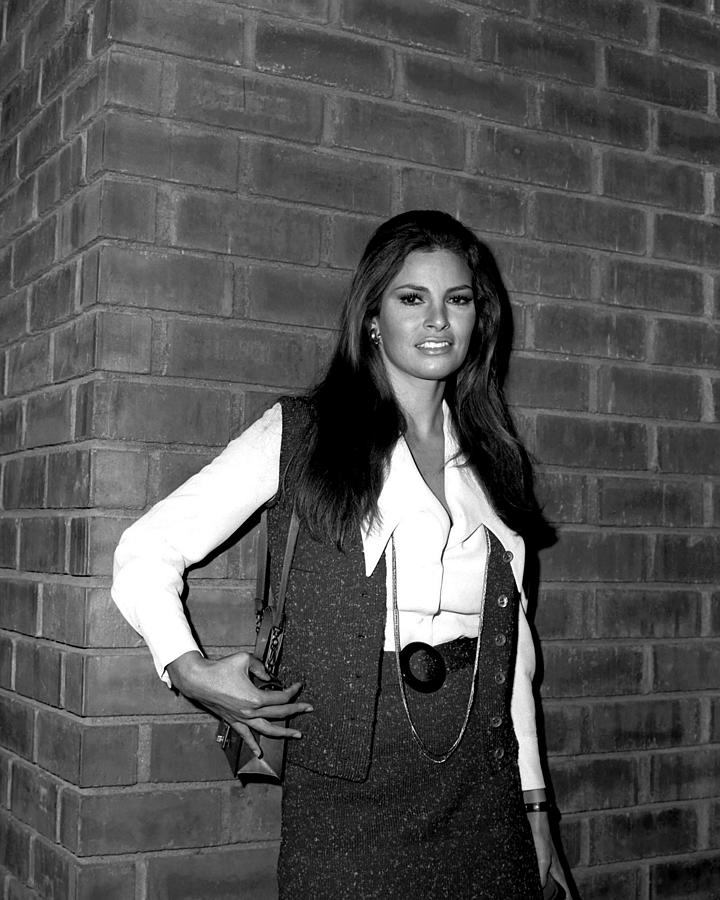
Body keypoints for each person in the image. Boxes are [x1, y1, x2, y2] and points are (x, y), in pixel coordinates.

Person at [112, 210, 570, 899]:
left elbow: (513, 663)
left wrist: (537, 815)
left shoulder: (493, 463)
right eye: (412, 298)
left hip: (485, 794)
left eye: (458, 299)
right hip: (346, 803)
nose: (438, 320)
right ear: (372, 320)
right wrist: (188, 669)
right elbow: (147, 548)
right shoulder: (301, 437)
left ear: (481, 319)